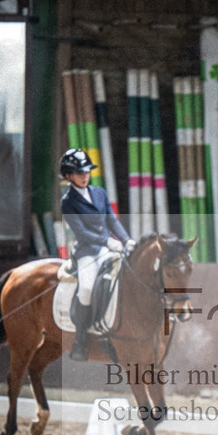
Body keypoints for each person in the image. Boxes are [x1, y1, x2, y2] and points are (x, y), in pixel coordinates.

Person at [59, 147, 136, 361]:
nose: (85, 176)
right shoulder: (68, 202)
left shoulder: (100, 192)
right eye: (79, 173)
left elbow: (111, 219)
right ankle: (80, 341)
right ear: (68, 176)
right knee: (86, 287)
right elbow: (81, 232)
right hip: (87, 252)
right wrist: (108, 242)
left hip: (108, 248)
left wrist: (127, 240)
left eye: (87, 172)